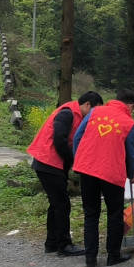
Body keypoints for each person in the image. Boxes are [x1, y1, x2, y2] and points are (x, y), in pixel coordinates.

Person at [26, 91, 103, 256]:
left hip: (52, 164)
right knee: (62, 204)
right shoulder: (67, 113)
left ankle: (52, 243)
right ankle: (64, 245)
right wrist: (72, 161)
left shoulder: (78, 116)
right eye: (94, 110)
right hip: (48, 162)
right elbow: (59, 140)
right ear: (87, 105)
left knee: (56, 204)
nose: (94, 115)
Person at [72, 90, 134, 267]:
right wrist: (131, 173)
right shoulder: (128, 122)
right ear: (130, 105)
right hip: (111, 172)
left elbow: (78, 136)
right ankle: (113, 255)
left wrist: (79, 160)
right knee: (115, 213)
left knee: (91, 213)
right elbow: (130, 153)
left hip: (87, 169)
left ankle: (90, 258)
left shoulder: (95, 112)